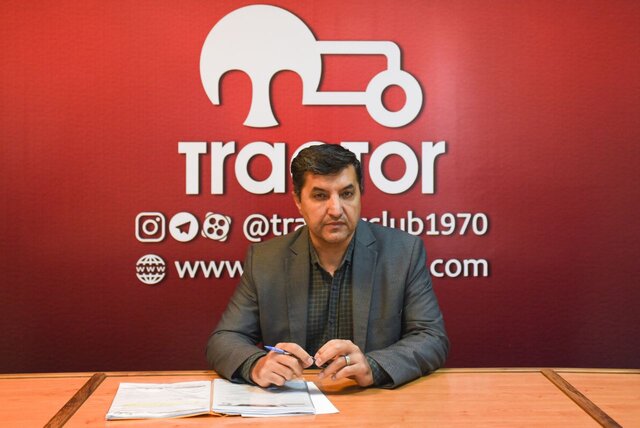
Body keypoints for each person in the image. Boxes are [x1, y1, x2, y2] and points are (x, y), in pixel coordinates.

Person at [206, 144, 449, 388]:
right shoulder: (266, 260)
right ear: (298, 201)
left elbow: (431, 338)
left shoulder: (403, 253)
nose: (336, 210)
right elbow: (225, 339)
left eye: (347, 194)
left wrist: (373, 366)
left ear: (360, 194)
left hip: (372, 400)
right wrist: (257, 365)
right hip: (294, 402)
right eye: (320, 196)